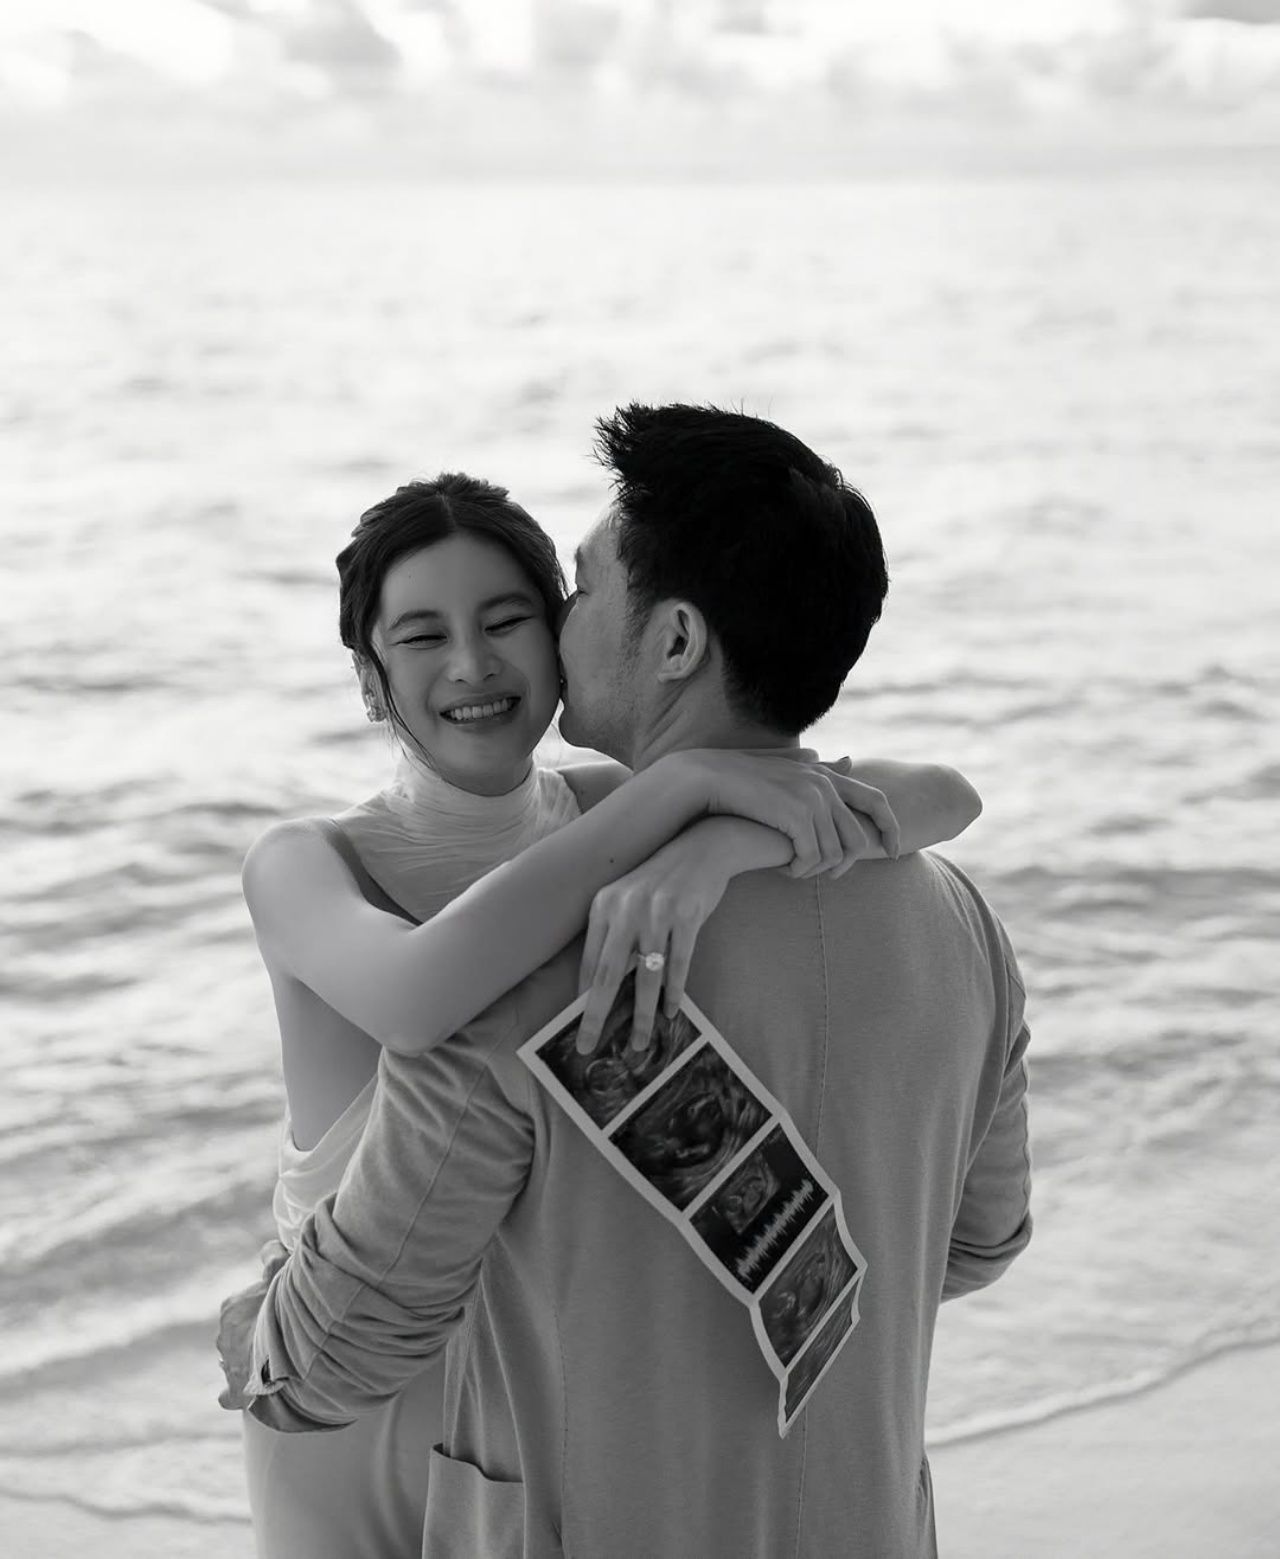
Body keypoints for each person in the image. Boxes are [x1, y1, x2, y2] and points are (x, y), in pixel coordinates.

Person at [221, 468, 985, 1559]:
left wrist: (724, 843)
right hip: (346, 1388)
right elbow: (421, 999)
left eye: (508, 620)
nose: (472, 664)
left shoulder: (609, 813)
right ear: (369, 677)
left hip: (537, 1388)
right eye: (422, 636)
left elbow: (941, 793)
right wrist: (686, 791)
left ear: (558, 635)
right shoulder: (308, 861)